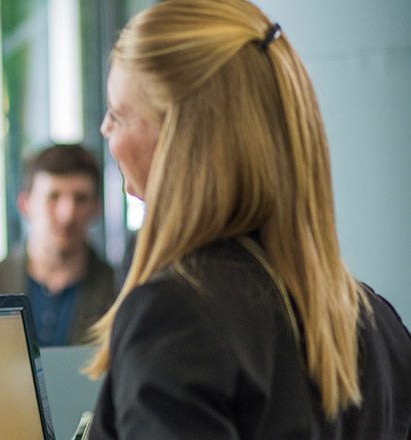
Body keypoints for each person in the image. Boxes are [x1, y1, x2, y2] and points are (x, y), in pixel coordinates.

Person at [88, 0, 411, 438]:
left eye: (119, 114)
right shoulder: (374, 320)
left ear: (181, 137)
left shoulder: (175, 316)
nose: (106, 130)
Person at [0, 144, 116, 346]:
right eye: (53, 197)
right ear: (25, 204)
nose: (66, 214)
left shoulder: (118, 290)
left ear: (96, 208)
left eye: (81, 199)